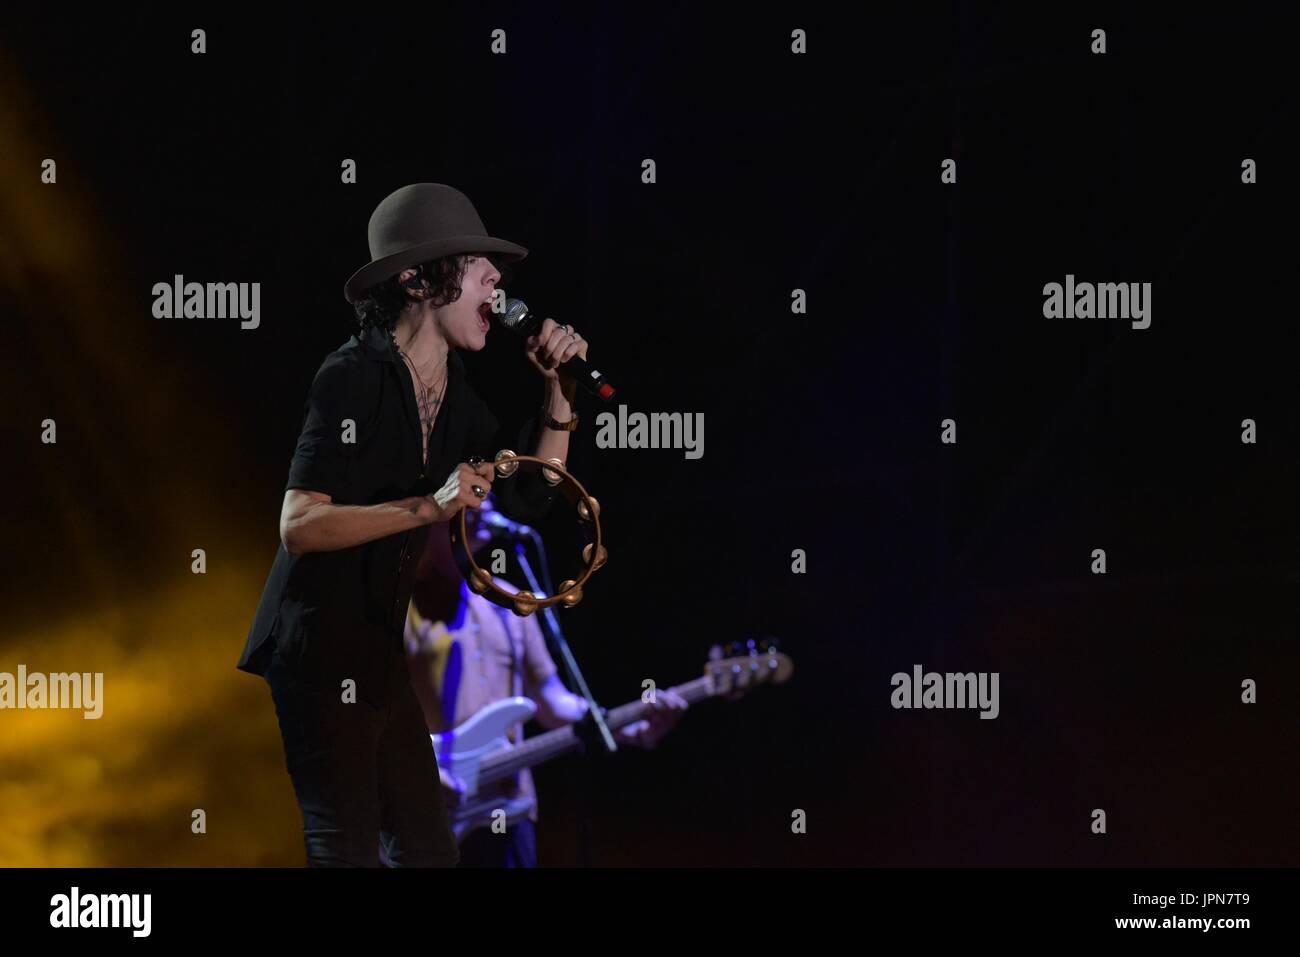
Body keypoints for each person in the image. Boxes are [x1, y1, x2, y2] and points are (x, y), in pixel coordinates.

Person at [236, 183, 592, 867]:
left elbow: (533, 494)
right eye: (479, 265)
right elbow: (299, 525)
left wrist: (557, 391)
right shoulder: (351, 377)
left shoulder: (459, 400)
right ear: (418, 278)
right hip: (313, 649)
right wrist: (431, 506)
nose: (498, 280)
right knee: (346, 848)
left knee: (429, 850)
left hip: (376, 654)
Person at [404, 501, 688, 867]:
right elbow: (367, 717)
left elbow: (552, 702)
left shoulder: (512, 603)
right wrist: (416, 773)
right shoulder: (399, 607)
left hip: (510, 810)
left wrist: (619, 725)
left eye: (485, 492)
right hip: (427, 815)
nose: (482, 503)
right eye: (468, 493)